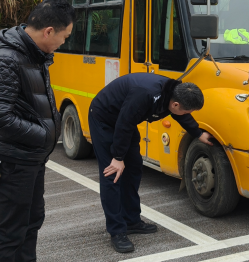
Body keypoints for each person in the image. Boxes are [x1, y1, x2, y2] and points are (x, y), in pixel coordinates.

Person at [0, 0, 74, 262]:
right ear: (49, 30)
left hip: (29, 158)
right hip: (12, 159)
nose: (62, 45)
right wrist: (41, 134)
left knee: (31, 221)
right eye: (63, 38)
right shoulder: (8, 58)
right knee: (8, 232)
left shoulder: (34, 54)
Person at [88, 74, 212, 253]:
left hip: (125, 121)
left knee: (134, 168)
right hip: (105, 119)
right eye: (187, 111)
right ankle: (117, 231)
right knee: (112, 174)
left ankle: (131, 221)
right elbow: (124, 122)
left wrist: (198, 133)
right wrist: (117, 158)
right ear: (175, 104)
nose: (187, 115)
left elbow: (180, 115)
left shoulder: (173, 93)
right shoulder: (145, 94)